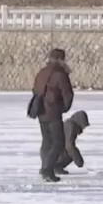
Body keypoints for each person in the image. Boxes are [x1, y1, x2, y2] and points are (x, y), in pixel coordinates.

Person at [31, 48, 74, 183]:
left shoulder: (42, 72)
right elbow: (68, 95)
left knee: (47, 141)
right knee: (58, 142)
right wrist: (63, 108)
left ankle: (46, 166)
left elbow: (35, 90)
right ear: (61, 60)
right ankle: (48, 169)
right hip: (53, 112)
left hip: (41, 111)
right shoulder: (60, 74)